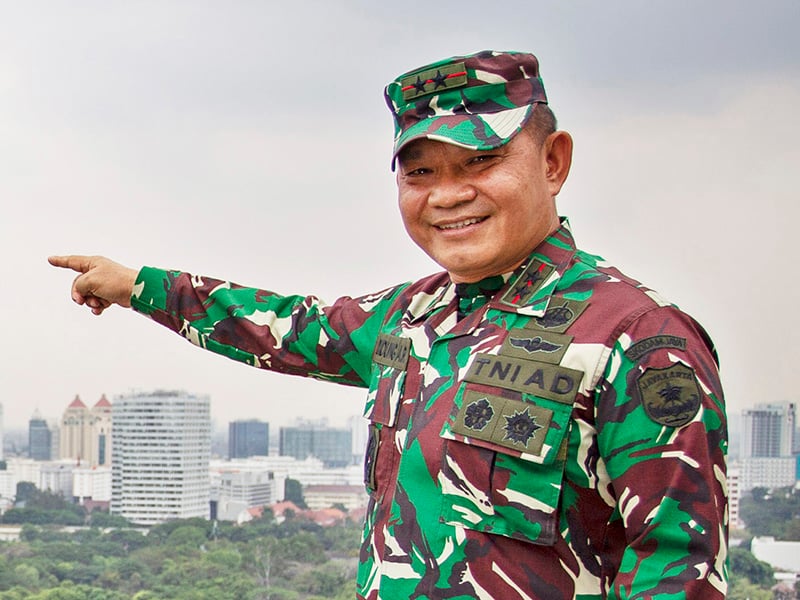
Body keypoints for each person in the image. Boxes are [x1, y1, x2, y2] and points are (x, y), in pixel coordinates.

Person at [50, 50, 728, 599]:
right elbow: (285, 327)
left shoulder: (633, 336)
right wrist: (140, 286)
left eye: (481, 162)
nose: (448, 195)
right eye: (421, 172)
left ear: (552, 163)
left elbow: (677, 569)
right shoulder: (414, 317)